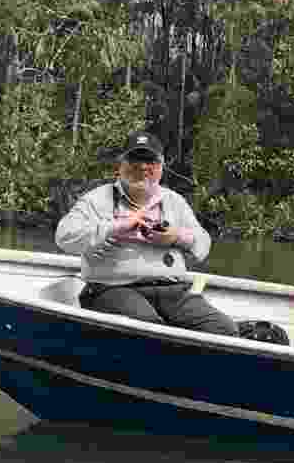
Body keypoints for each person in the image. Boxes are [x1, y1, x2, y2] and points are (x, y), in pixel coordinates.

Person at [53, 132, 239, 335]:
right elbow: (64, 237)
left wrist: (175, 237)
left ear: (161, 165)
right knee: (148, 327)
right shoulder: (96, 200)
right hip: (112, 288)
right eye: (135, 159)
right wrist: (115, 227)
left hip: (173, 291)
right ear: (120, 164)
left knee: (224, 329)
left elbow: (203, 246)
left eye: (149, 160)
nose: (142, 167)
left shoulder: (174, 201)